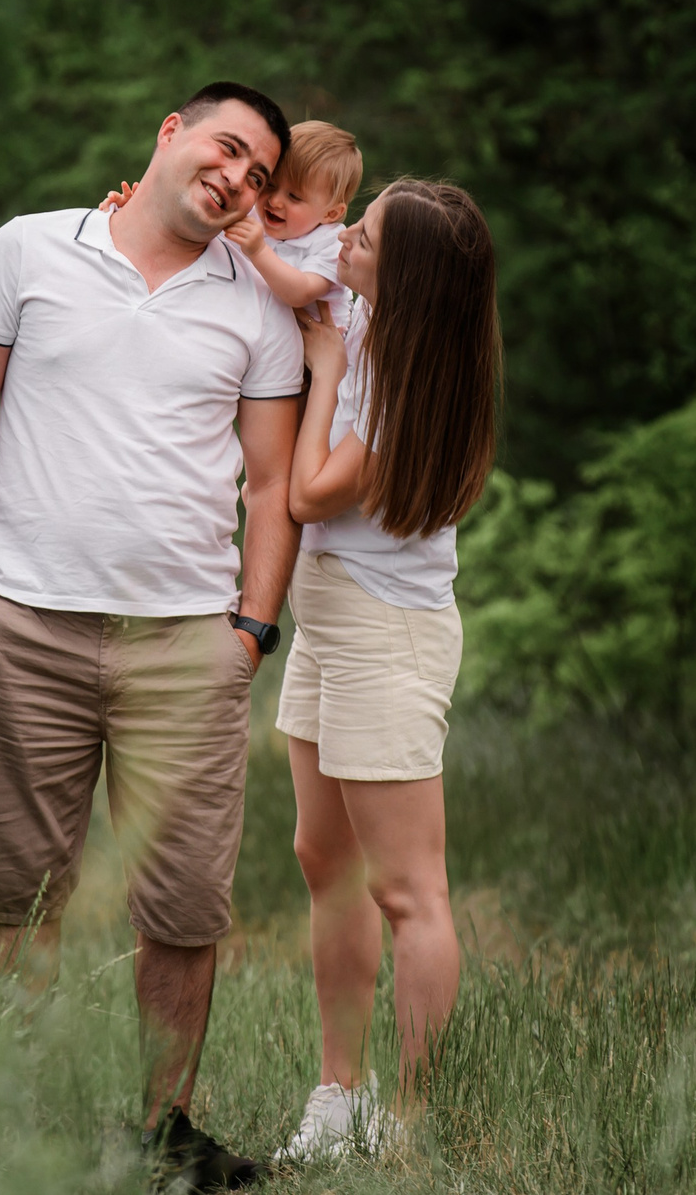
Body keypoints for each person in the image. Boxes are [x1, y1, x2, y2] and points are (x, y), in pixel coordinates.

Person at [0, 82, 304, 1193]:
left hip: (187, 644)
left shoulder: (257, 306)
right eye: (228, 148)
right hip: (27, 629)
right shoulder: (28, 249)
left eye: (260, 175)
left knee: (184, 902)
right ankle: (12, 1122)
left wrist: (249, 628)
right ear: (172, 133)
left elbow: (275, 483)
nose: (237, 177)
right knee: (13, 888)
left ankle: (162, 1135)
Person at [275, 179, 501, 1163]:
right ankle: (340, 1093)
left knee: (408, 888)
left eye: (360, 239)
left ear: (398, 279)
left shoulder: (409, 383)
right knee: (323, 861)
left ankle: (413, 1125)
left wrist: (323, 366)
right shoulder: (374, 304)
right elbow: (284, 241)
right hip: (327, 616)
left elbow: (308, 492)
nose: (343, 242)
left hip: (385, 632)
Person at [224, 121, 361, 319]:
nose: (275, 200)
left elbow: (301, 292)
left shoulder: (331, 244)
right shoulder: (252, 214)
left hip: (310, 343)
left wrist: (259, 251)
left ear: (330, 214)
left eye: (294, 197)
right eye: (270, 184)